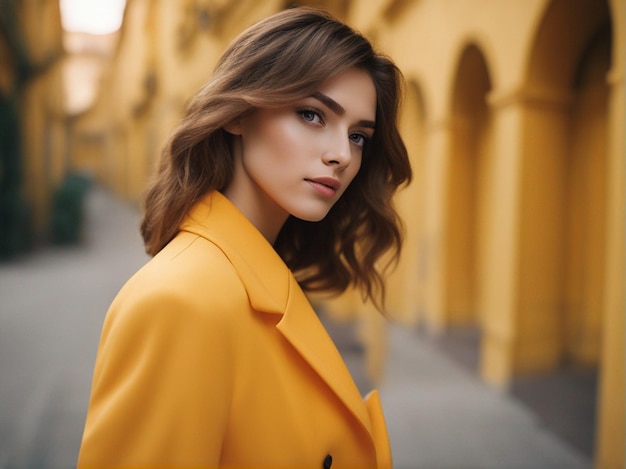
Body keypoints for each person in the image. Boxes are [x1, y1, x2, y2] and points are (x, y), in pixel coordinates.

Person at [77, 6, 411, 468]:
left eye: (358, 136)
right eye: (312, 115)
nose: (341, 155)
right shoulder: (180, 302)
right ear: (238, 115)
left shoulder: (256, 272)